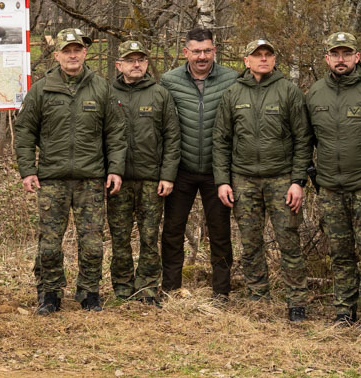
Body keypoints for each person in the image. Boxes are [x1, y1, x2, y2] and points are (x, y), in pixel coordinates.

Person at [15, 28, 127, 313]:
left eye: (77, 49)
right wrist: (28, 170)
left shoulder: (101, 87)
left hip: (91, 179)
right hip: (52, 179)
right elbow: (26, 131)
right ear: (57, 55)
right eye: (67, 50)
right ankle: (50, 293)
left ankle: (89, 292)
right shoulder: (41, 89)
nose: (73, 55)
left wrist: (115, 169)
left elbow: (115, 132)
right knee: (50, 244)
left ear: (85, 53)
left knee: (92, 243)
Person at [214, 37, 312, 320]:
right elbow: (221, 140)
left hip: (281, 179)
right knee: (250, 242)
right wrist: (223, 180)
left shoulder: (289, 91)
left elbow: (302, 139)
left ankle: (296, 303)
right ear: (246, 61)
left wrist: (298, 181)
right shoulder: (233, 94)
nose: (263, 59)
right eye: (258, 55)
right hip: (243, 180)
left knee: (289, 241)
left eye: (268, 54)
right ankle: (258, 298)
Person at [306, 32, 361, 330]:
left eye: (347, 53)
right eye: (335, 54)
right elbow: (308, 140)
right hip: (330, 188)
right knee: (340, 254)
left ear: (357, 57)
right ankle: (344, 311)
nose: (340, 59)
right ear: (327, 59)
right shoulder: (315, 93)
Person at [159, 28, 239, 298]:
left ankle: (221, 292)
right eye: (196, 51)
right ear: (186, 53)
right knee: (172, 230)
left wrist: (227, 172)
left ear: (214, 50)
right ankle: (171, 288)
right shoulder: (169, 81)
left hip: (217, 173)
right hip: (181, 169)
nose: (202, 56)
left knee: (220, 232)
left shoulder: (231, 79)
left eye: (207, 50)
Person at [110, 41, 179, 303]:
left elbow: (172, 137)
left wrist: (167, 175)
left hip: (152, 179)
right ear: (120, 65)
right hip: (119, 180)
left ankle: (148, 287)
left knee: (150, 235)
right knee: (119, 235)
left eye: (140, 59)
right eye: (130, 60)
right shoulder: (108, 93)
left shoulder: (160, 94)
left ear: (147, 64)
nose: (136, 64)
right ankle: (122, 286)